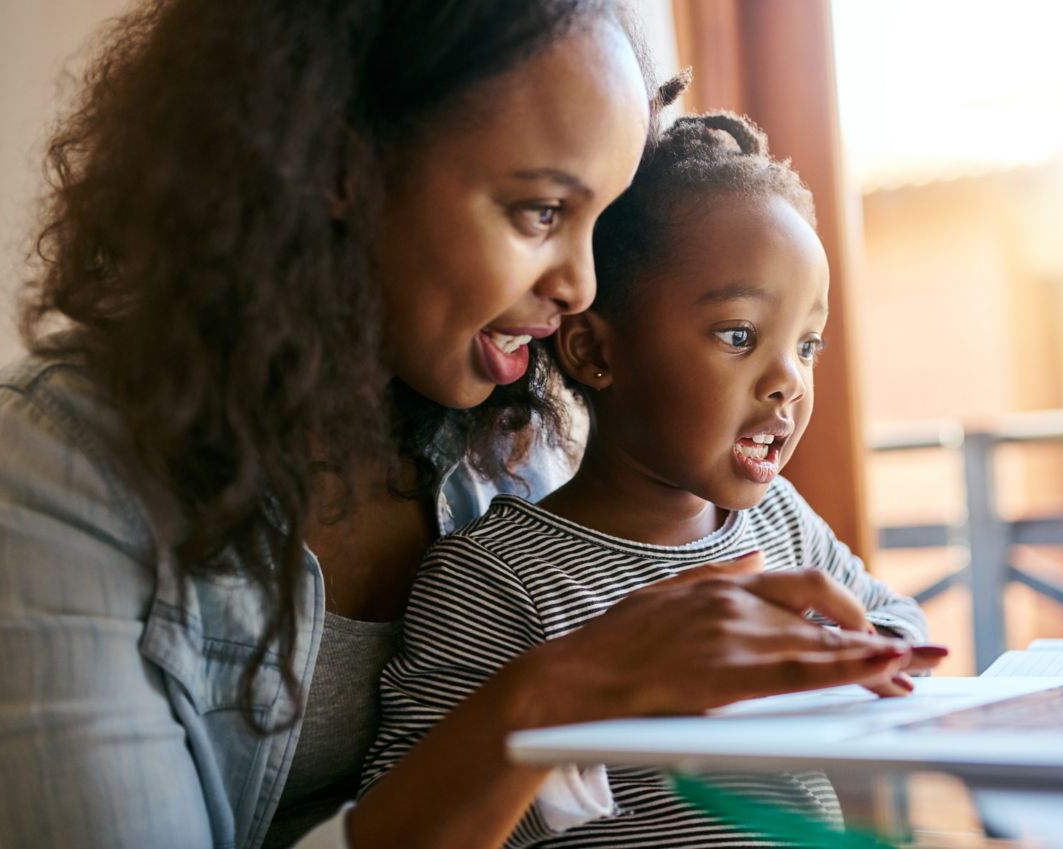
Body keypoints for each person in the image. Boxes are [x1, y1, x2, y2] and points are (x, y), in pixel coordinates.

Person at [0, 2, 939, 848]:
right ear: (335, 166)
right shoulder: (57, 459)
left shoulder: (529, 439)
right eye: (540, 212)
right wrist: (554, 696)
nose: (581, 287)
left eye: (601, 221)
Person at [361, 103, 941, 847]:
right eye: (739, 334)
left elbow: (900, 626)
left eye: (807, 345)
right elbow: (414, 804)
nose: (789, 382)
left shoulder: (781, 522)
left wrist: (851, 655)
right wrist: (600, 726)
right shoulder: (496, 576)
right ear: (592, 351)